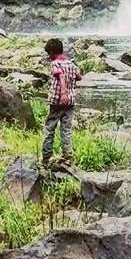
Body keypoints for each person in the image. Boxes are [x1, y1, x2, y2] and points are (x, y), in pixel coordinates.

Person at [41, 36, 81, 168]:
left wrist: (63, 92)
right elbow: (79, 76)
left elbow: (60, 75)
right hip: (70, 101)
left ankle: (46, 158)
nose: (49, 56)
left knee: (50, 128)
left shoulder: (55, 63)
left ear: (53, 52)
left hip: (58, 100)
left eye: (49, 54)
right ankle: (67, 156)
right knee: (66, 129)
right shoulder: (71, 64)